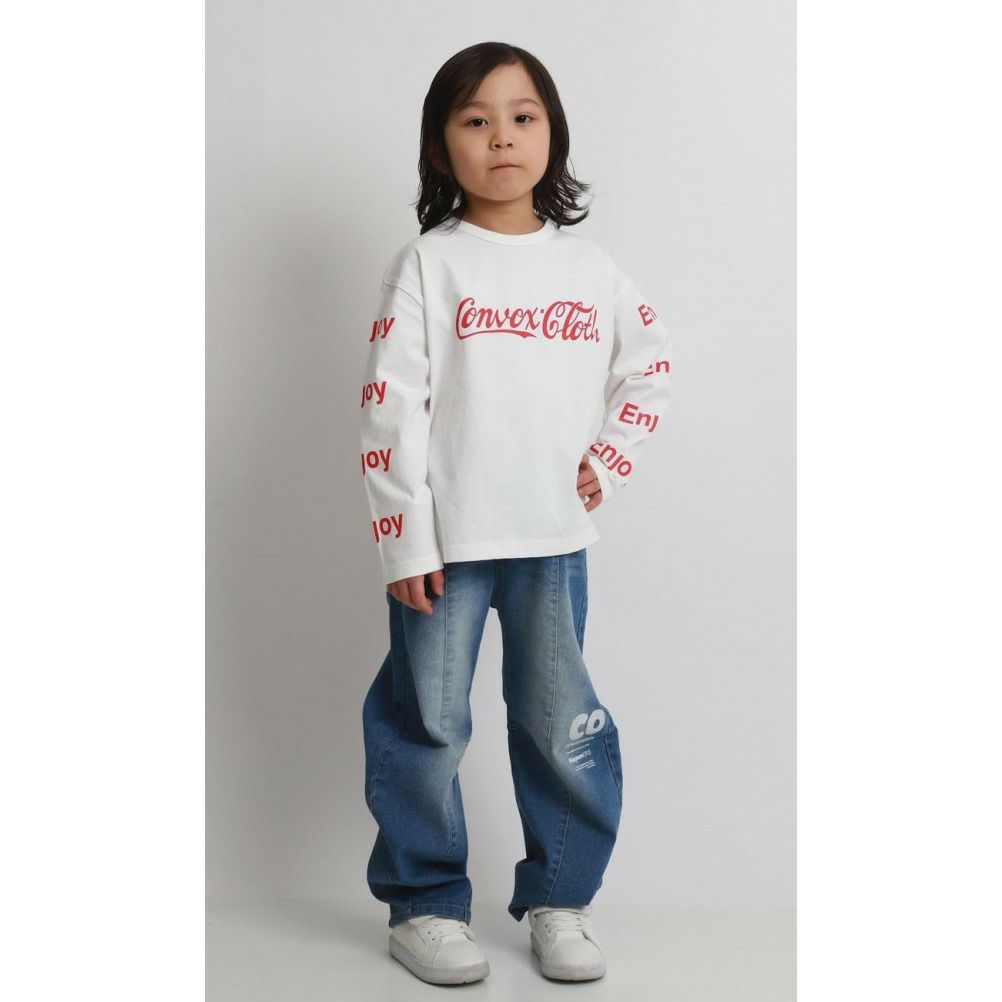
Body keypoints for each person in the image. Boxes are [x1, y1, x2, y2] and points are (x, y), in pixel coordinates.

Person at [358, 41, 672, 985]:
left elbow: (649, 368)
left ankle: (559, 898)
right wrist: (403, 539)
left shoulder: (590, 267)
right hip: (445, 546)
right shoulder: (429, 264)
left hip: (553, 540)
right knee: (427, 724)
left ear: (552, 135)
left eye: (523, 117)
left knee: (559, 722)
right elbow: (389, 409)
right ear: (440, 146)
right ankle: (423, 904)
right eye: (475, 119)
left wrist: (606, 462)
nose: (502, 137)